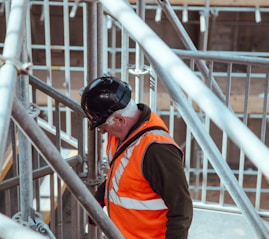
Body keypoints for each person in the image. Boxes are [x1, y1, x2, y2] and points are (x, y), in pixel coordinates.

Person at [81, 76, 193, 239]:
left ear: (119, 120)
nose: (102, 131)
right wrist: (99, 200)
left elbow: (181, 209)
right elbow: (120, 175)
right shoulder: (120, 136)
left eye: (103, 125)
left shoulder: (157, 150)